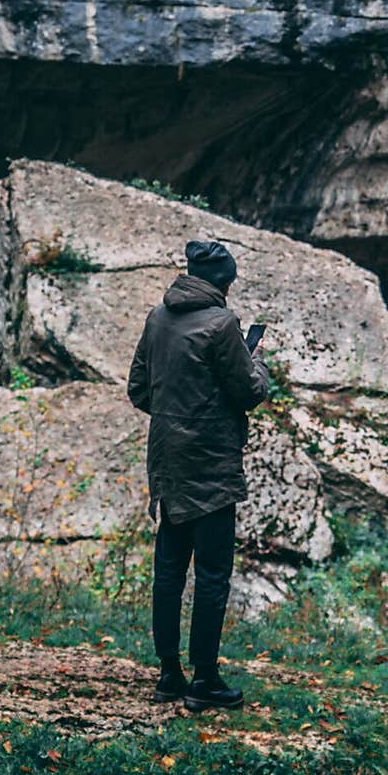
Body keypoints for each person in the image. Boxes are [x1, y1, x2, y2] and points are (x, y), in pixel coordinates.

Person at [126, 238, 269, 711]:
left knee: (168, 571)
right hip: (210, 468)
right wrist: (258, 363)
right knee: (211, 575)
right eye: (229, 278)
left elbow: (139, 391)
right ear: (222, 281)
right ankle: (205, 680)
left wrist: (176, 414)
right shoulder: (222, 323)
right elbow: (248, 392)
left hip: (168, 463)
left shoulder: (157, 318)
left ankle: (170, 674)